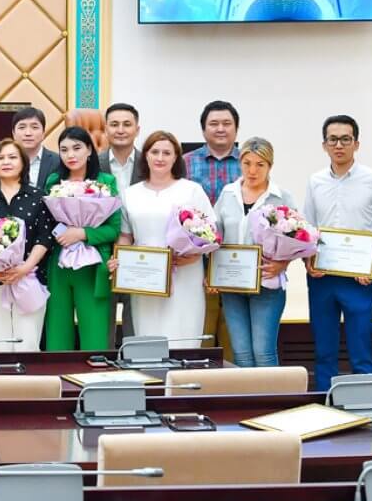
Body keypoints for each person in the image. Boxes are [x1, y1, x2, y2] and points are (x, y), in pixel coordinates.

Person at [303, 115, 372, 391]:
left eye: (345, 139)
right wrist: (308, 260)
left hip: (359, 280)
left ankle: (366, 406)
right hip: (323, 278)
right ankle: (323, 404)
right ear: (324, 145)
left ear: (356, 144)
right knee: (324, 351)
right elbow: (306, 227)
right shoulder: (315, 181)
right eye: (333, 139)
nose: (339, 145)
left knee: (361, 351)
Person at [115, 131, 211, 344]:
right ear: (146, 155)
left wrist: (194, 256)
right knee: (148, 339)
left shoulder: (192, 190)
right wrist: (119, 260)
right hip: (145, 278)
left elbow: (210, 235)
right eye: (155, 151)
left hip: (184, 275)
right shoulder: (131, 193)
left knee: (182, 337)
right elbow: (125, 236)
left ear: (176, 157)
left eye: (167, 153)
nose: (160, 157)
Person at [212, 137, 294, 367]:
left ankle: (271, 403)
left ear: (270, 166)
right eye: (247, 163)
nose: (252, 170)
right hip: (232, 285)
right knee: (241, 354)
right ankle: (247, 402)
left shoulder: (282, 197)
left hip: (266, 283)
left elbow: (299, 238)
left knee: (263, 352)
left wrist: (283, 264)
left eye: (260, 164)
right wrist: (211, 271)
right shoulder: (228, 193)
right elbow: (214, 234)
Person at [0, 138, 53, 352]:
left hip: (29, 278)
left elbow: (45, 237)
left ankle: (28, 387)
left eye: (12, 157)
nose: (6, 162)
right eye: (0, 158)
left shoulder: (38, 196)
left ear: (23, 163)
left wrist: (25, 268)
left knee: (28, 343)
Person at [43, 126, 120, 350]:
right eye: (64, 150)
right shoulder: (53, 182)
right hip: (59, 263)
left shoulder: (105, 182)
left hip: (95, 265)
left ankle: (95, 382)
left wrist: (83, 233)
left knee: (94, 334)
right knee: (57, 333)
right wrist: (63, 234)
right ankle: (58, 383)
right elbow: (46, 223)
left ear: (89, 150)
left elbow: (114, 229)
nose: (71, 155)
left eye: (77, 148)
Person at [184, 100, 242, 356]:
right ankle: (200, 377)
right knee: (201, 322)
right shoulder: (185, 162)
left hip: (237, 255)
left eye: (227, 123)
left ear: (236, 129)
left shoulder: (248, 162)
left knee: (233, 324)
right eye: (214, 124)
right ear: (203, 129)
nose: (220, 129)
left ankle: (232, 382)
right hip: (197, 256)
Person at [98, 102, 143, 344]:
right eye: (114, 124)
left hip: (142, 250)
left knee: (136, 321)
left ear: (137, 129)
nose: (121, 130)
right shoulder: (93, 163)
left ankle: (138, 372)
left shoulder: (152, 162)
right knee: (102, 320)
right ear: (105, 129)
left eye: (127, 124)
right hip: (102, 251)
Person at [12, 107, 61, 191]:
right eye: (22, 127)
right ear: (14, 134)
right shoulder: (5, 161)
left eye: (34, 127)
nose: (28, 133)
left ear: (43, 133)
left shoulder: (58, 162)